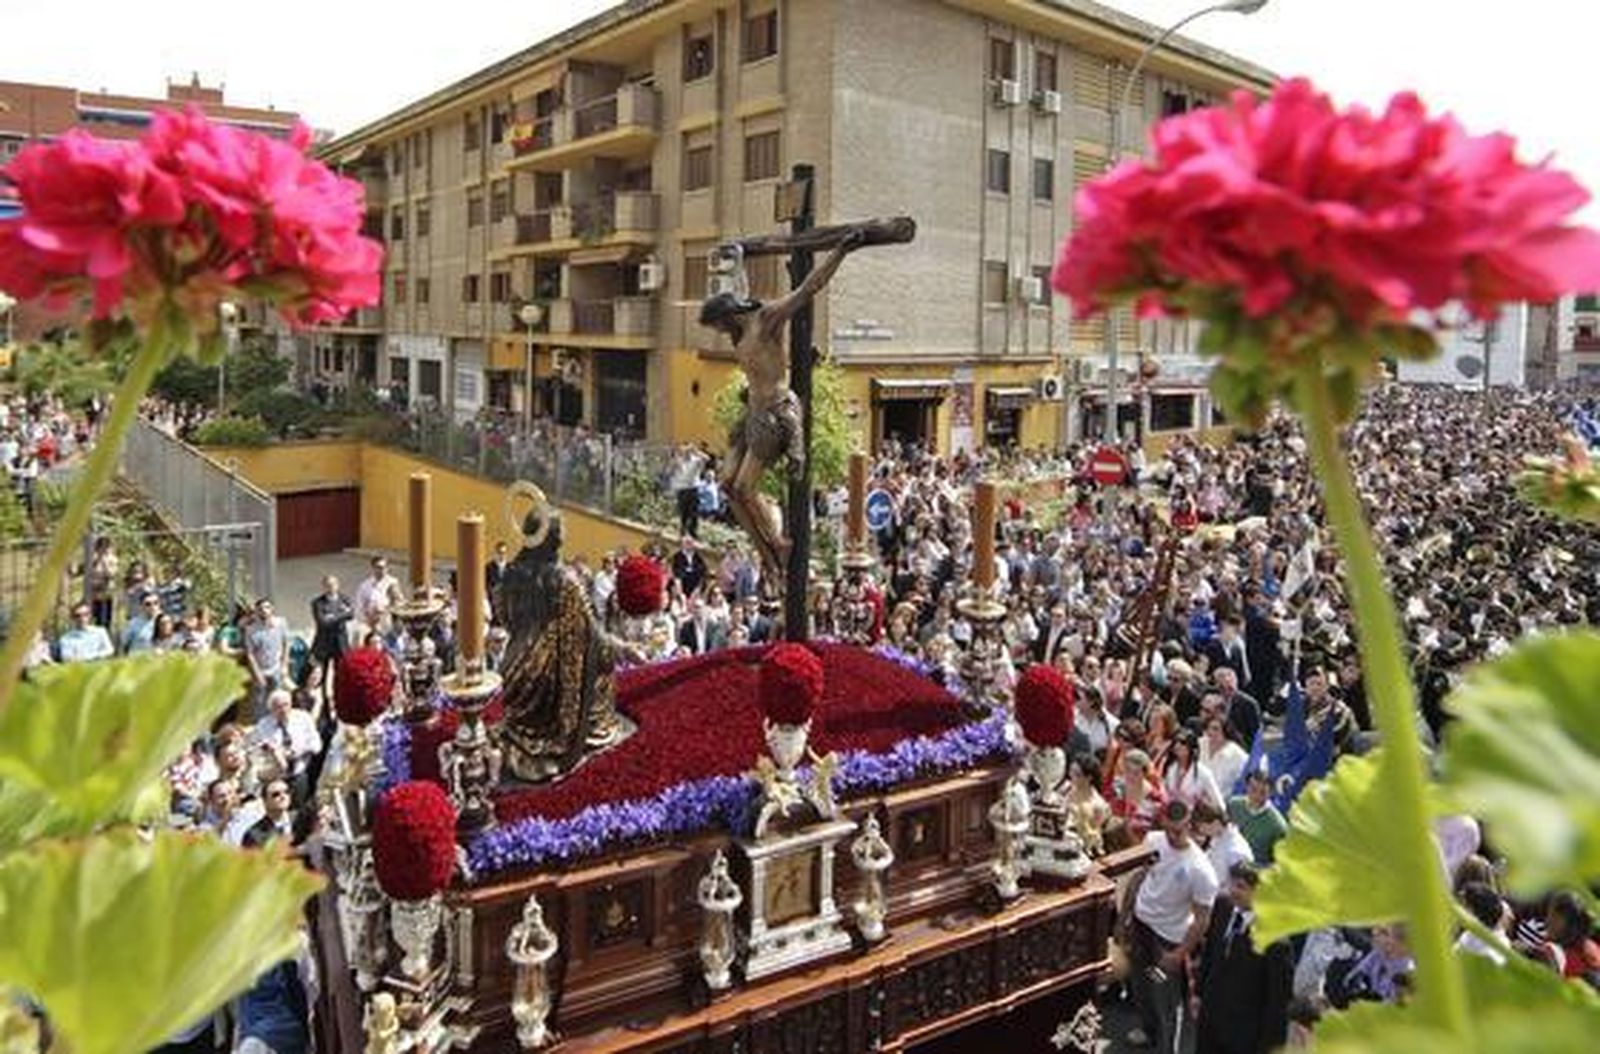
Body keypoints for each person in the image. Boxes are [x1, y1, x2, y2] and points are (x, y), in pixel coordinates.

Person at [1128, 800, 1218, 1051]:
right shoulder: (1154, 840)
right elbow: (1140, 876)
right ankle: (1148, 1031)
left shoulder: (1200, 870)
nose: (1171, 836)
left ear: (1190, 826)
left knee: (1165, 1001)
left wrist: (1179, 954)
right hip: (1141, 928)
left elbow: (1202, 920)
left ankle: (1168, 1048)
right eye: (1167, 829)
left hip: (1166, 941)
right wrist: (1127, 917)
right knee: (1142, 984)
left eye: (1177, 831)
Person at [1195, 860, 1293, 1054]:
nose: (1232, 891)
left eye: (1241, 887)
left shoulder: (1276, 942)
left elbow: (1278, 1004)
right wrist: (1199, 993)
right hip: (1210, 1021)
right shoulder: (1223, 907)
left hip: (1243, 1037)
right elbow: (1210, 953)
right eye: (1232, 883)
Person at [249, 688, 322, 807]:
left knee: (301, 809)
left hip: (300, 773)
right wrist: (274, 752)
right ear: (271, 709)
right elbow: (256, 750)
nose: (283, 710)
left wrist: (296, 751)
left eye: (286, 705)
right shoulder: (263, 725)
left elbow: (317, 745)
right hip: (276, 777)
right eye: (278, 707)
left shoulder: (303, 718)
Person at [1228, 768, 1289, 865]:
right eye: (1253, 789)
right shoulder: (1233, 805)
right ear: (1247, 786)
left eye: (1263, 792)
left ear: (1271, 792)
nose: (1256, 796)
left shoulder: (1278, 826)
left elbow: (1279, 863)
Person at [310, 575, 354, 702]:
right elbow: (322, 622)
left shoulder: (344, 599)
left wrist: (332, 616)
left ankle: (340, 699)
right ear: (323, 587)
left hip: (341, 643)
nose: (331, 588)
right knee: (319, 675)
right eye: (328, 585)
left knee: (341, 674)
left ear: (338, 585)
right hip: (323, 644)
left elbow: (351, 615)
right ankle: (322, 703)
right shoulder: (317, 603)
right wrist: (342, 614)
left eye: (333, 584)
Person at [244, 598, 291, 718]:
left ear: (272, 609)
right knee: (259, 702)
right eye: (260, 609)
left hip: (276, 667)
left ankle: (277, 722)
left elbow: (286, 644)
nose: (264, 611)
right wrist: (257, 673)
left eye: (267, 607)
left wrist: (284, 665)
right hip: (260, 669)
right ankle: (260, 725)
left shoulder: (281, 623)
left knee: (278, 698)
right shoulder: (251, 630)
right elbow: (250, 654)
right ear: (257, 612)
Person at [242, 778, 298, 849]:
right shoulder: (254, 834)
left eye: (287, 792)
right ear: (265, 801)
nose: (283, 796)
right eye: (276, 794)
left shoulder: (301, 819)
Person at [354, 555, 402, 635]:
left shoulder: (393, 582)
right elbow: (359, 607)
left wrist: (385, 610)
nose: (381, 570)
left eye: (384, 567)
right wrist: (367, 619)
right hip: (369, 621)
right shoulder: (365, 586)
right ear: (373, 568)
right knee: (358, 633)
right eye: (378, 567)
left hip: (388, 620)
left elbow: (399, 603)